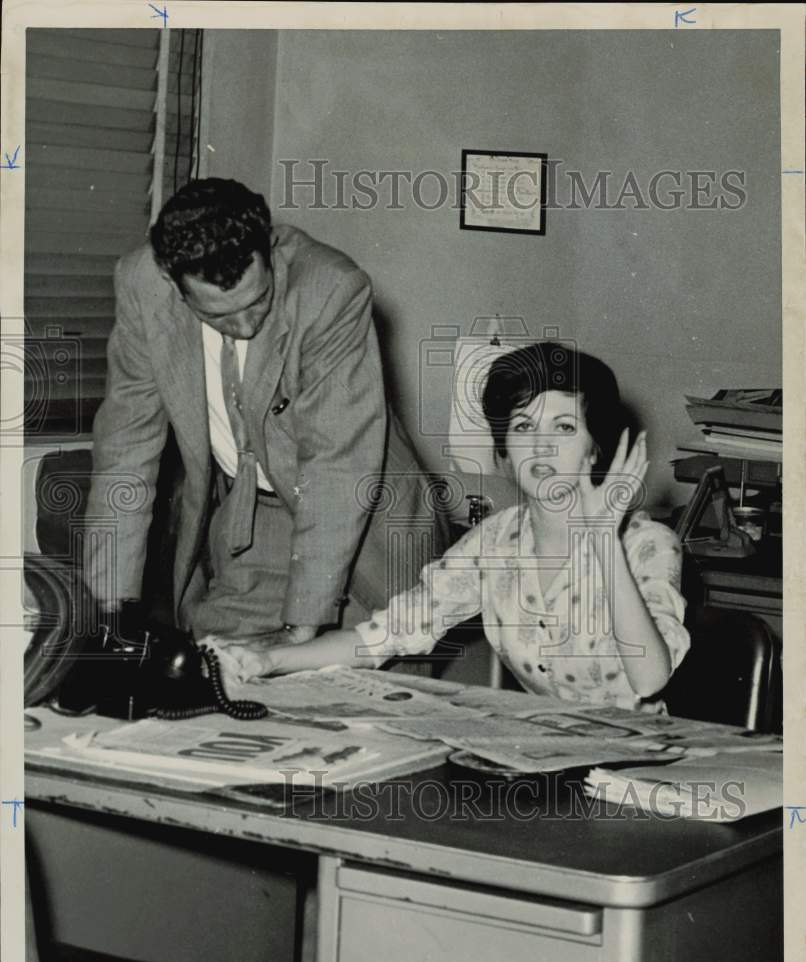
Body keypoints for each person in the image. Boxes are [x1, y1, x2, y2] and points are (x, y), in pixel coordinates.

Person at [217, 341, 691, 713]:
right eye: (524, 428)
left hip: (637, 773)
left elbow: (650, 678)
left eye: (564, 428)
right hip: (543, 763)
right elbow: (380, 637)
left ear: (595, 447)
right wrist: (268, 660)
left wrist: (602, 542)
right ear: (503, 450)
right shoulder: (495, 542)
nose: (541, 447)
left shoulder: (647, 544)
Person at [84, 178, 449, 645]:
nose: (245, 326)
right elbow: (125, 454)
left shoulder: (330, 289)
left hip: (367, 519)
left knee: (361, 691)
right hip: (256, 515)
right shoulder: (142, 286)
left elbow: (336, 464)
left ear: (270, 249)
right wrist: (107, 613)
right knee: (221, 660)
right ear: (172, 285)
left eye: (258, 300)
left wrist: (300, 634)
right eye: (218, 316)